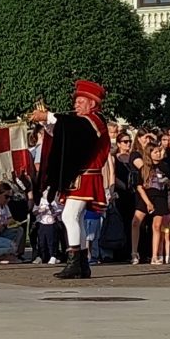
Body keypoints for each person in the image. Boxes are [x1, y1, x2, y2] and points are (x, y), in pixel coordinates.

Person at [35, 80, 114, 280]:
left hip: (87, 175)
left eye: (80, 101)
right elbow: (67, 135)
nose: (76, 105)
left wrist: (50, 116)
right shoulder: (83, 121)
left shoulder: (95, 119)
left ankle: (75, 261)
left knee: (69, 216)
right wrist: (47, 123)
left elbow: (77, 129)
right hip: (78, 175)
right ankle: (81, 263)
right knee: (74, 217)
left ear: (92, 104)